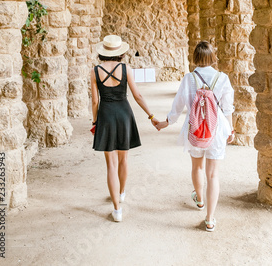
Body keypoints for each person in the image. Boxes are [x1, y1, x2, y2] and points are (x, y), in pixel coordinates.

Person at [156, 40, 235, 232]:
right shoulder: (222, 78)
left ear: (196, 58)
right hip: (216, 131)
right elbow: (227, 108)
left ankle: (199, 199)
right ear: (212, 57)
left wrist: (166, 122)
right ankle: (209, 219)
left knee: (197, 167)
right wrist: (230, 129)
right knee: (213, 174)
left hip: (195, 131)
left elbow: (179, 104)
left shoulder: (189, 78)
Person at [91, 34, 158, 222]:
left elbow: (95, 100)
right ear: (120, 53)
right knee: (123, 159)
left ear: (103, 52)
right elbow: (137, 96)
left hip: (106, 114)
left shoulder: (95, 71)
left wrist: (95, 121)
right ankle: (121, 193)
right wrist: (151, 116)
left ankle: (117, 209)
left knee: (110, 164)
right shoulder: (125, 68)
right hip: (124, 114)